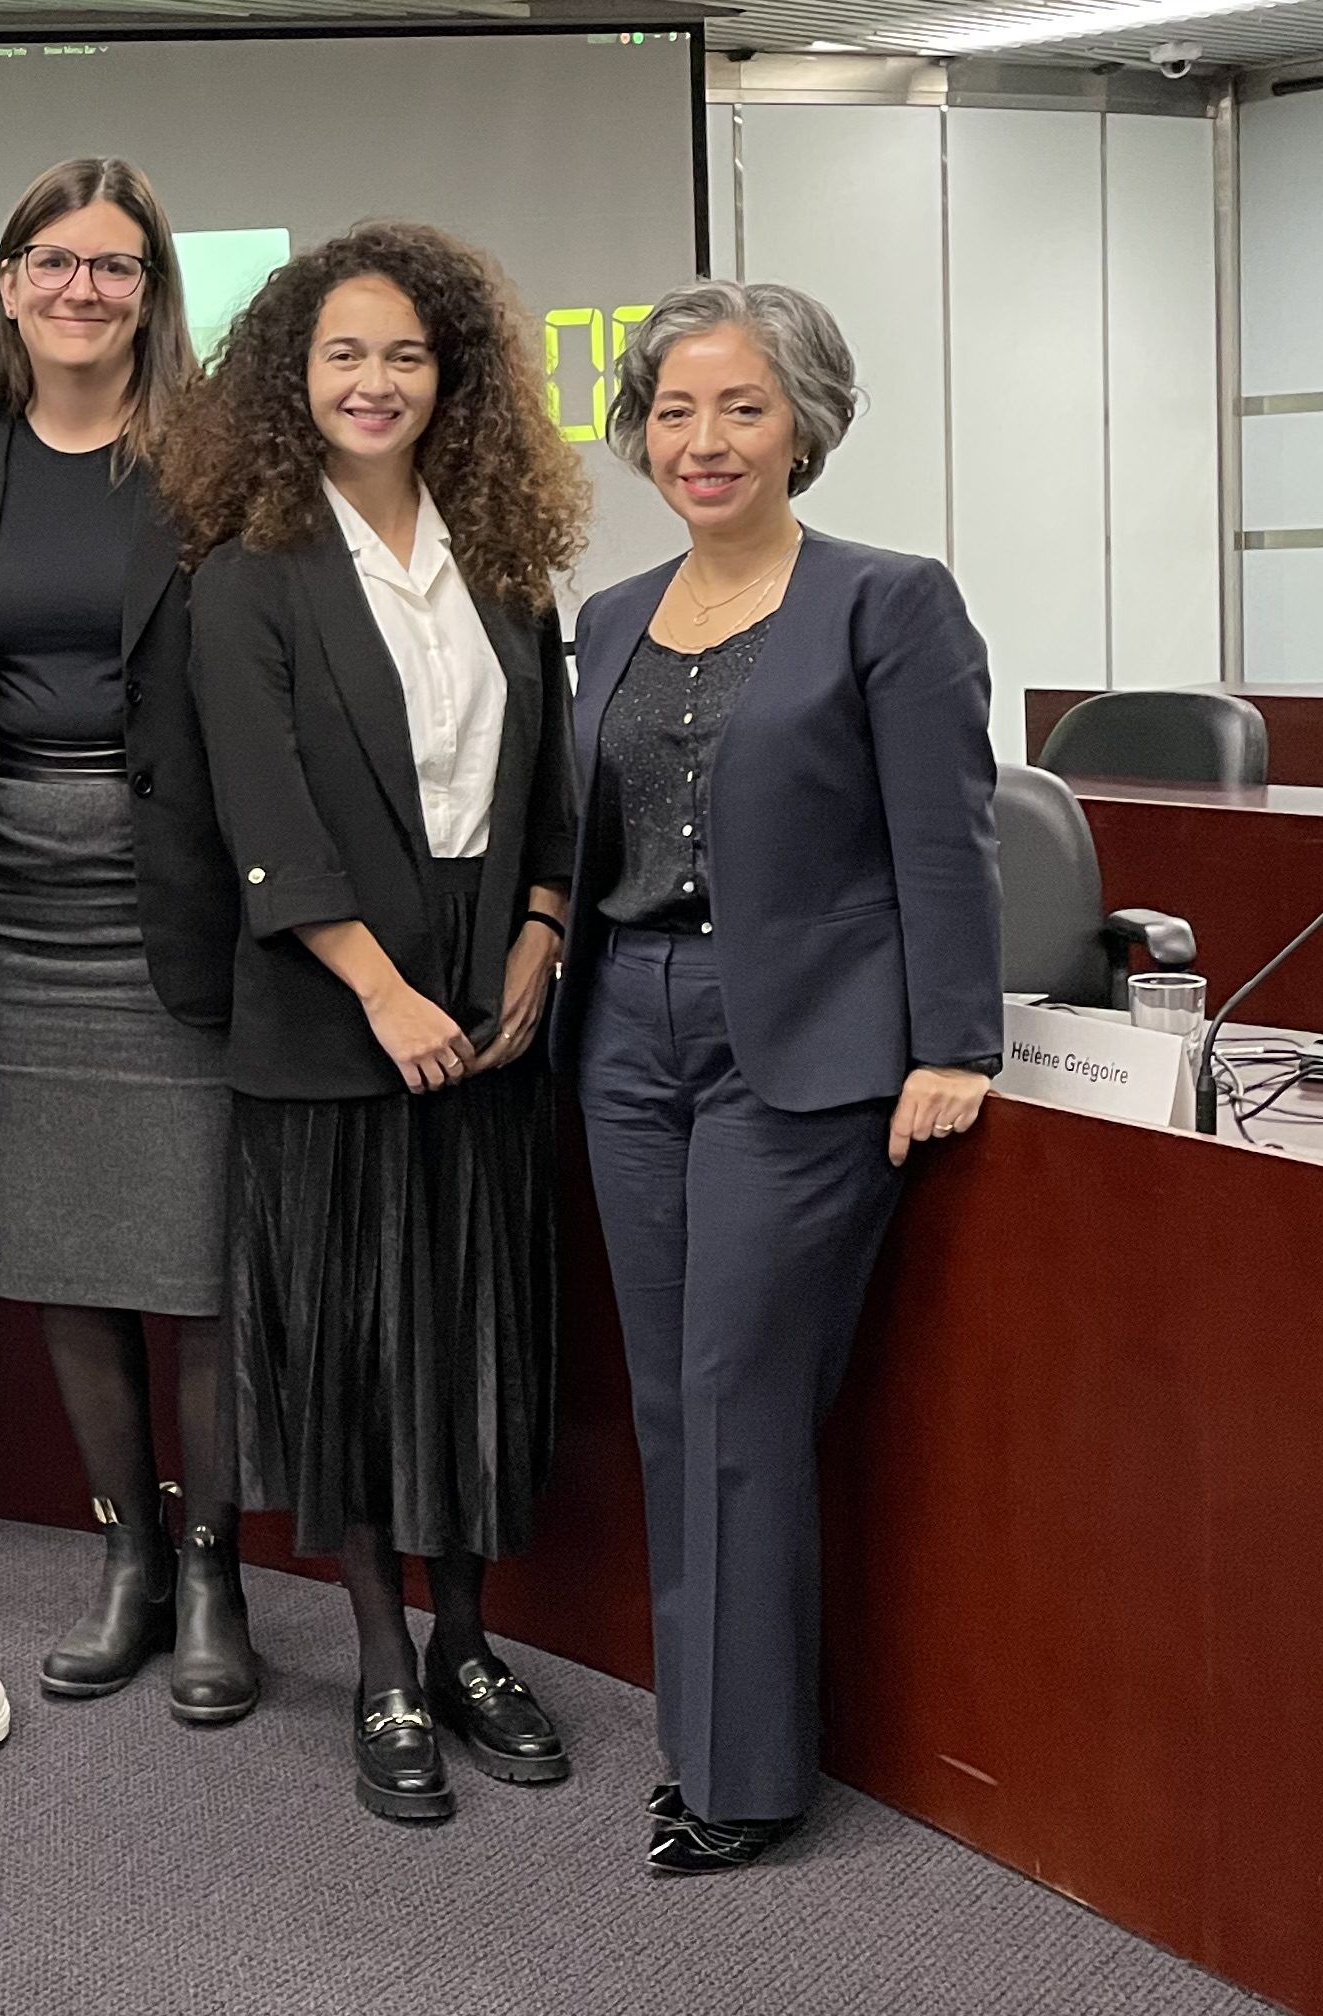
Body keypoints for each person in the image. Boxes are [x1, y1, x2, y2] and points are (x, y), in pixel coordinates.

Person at [563, 279, 1000, 1877]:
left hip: (800, 1051)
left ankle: (747, 1779)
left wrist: (952, 1040)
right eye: (674, 410)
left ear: (805, 421)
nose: (703, 439)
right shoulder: (609, 618)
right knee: (674, 1403)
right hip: (626, 1035)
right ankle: (701, 1731)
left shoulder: (890, 603)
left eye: (741, 407)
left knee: (744, 1393)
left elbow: (942, 836)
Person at [162, 225, 586, 1825]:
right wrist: (381, 986)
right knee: (348, 1357)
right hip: (335, 1030)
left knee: (473, 1349)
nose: (376, 381)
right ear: (294, 378)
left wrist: (543, 929)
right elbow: (259, 812)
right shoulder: (246, 575)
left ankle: (472, 1642)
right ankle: (384, 1660)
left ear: (449, 377)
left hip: (490, 1018)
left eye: (406, 354)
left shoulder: (502, 557)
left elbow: (551, 778)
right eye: (344, 354)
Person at [0, 157, 254, 1723]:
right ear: (8, 284)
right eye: (53, 260)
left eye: (115, 266)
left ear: (151, 292)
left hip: (172, 907)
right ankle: (125, 1555)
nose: (81, 289)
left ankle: (214, 1571)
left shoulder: (215, 466)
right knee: (64, 1252)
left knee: (194, 1265)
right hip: (14, 901)